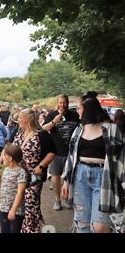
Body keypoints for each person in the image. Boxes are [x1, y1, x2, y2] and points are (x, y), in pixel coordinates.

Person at [62, 92, 123, 233]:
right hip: (80, 176)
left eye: (79, 108)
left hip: (104, 177)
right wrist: (66, 180)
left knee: (99, 226)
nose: (77, 111)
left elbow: (121, 157)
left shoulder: (111, 129)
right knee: (82, 222)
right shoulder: (79, 129)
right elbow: (71, 155)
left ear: (88, 110)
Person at [13, 108, 56, 233]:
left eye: (20, 118)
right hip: (18, 175)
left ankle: (31, 229)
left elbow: (52, 152)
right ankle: (34, 226)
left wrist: (41, 166)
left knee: (31, 203)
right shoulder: (19, 132)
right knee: (20, 203)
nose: (18, 120)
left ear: (26, 120)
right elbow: (10, 148)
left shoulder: (41, 134)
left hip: (34, 175)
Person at [42, 94, 80, 211]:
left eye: (64, 102)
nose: (62, 105)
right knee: (55, 176)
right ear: (57, 103)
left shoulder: (74, 115)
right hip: (55, 152)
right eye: (60, 103)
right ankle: (57, 200)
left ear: (67, 103)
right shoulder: (52, 115)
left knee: (69, 177)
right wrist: (54, 121)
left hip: (71, 153)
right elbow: (43, 130)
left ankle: (67, 198)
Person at [0, 143, 27, 233]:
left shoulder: (21, 172)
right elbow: (3, 186)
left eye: (3, 155)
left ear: (10, 158)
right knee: (4, 231)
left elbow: (20, 193)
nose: (1, 158)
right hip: (3, 207)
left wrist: (13, 210)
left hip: (16, 211)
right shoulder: (6, 170)